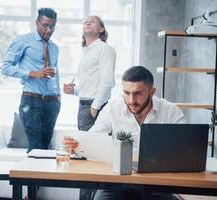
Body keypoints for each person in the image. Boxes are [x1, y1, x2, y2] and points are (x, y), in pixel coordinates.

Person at [64, 66, 186, 200]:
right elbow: (93, 137)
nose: (131, 100)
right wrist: (75, 144)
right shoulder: (113, 107)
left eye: (138, 93)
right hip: (117, 184)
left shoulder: (170, 111)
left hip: (157, 184)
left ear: (152, 91)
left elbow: (187, 146)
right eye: (126, 93)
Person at [1, 8, 60, 153]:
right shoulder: (23, 41)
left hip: (52, 102)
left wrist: (58, 96)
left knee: (45, 149)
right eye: (45, 25)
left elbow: (55, 74)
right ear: (37, 23)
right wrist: (33, 73)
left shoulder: (54, 47)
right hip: (32, 100)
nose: (49, 30)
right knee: (35, 148)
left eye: (52, 26)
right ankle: (30, 176)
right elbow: (6, 68)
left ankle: (44, 176)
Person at [63, 15, 116, 131]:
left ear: (101, 29)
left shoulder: (105, 49)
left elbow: (108, 81)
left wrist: (95, 107)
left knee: (91, 145)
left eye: (92, 22)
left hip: (94, 105)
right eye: (85, 22)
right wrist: (74, 90)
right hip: (84, 105)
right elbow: (89, 83)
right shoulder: (86, 51)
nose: (87, 23)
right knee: (85, 146)